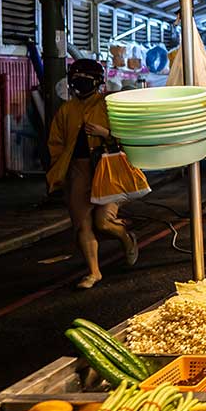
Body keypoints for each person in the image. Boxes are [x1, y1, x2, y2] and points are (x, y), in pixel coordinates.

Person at [45, 59, 137, 289]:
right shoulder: (66, 110)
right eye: (76, 79)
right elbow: (55, 144)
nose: (80, 84)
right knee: (82, 224)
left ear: (97, 82)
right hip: (77, 171)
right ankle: (94, 272)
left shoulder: (108, 105)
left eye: (85, 80)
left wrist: (105, 133)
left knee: (103, 222)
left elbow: (128, 136)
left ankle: (125, 237)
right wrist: (60, 171)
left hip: (107, 169)